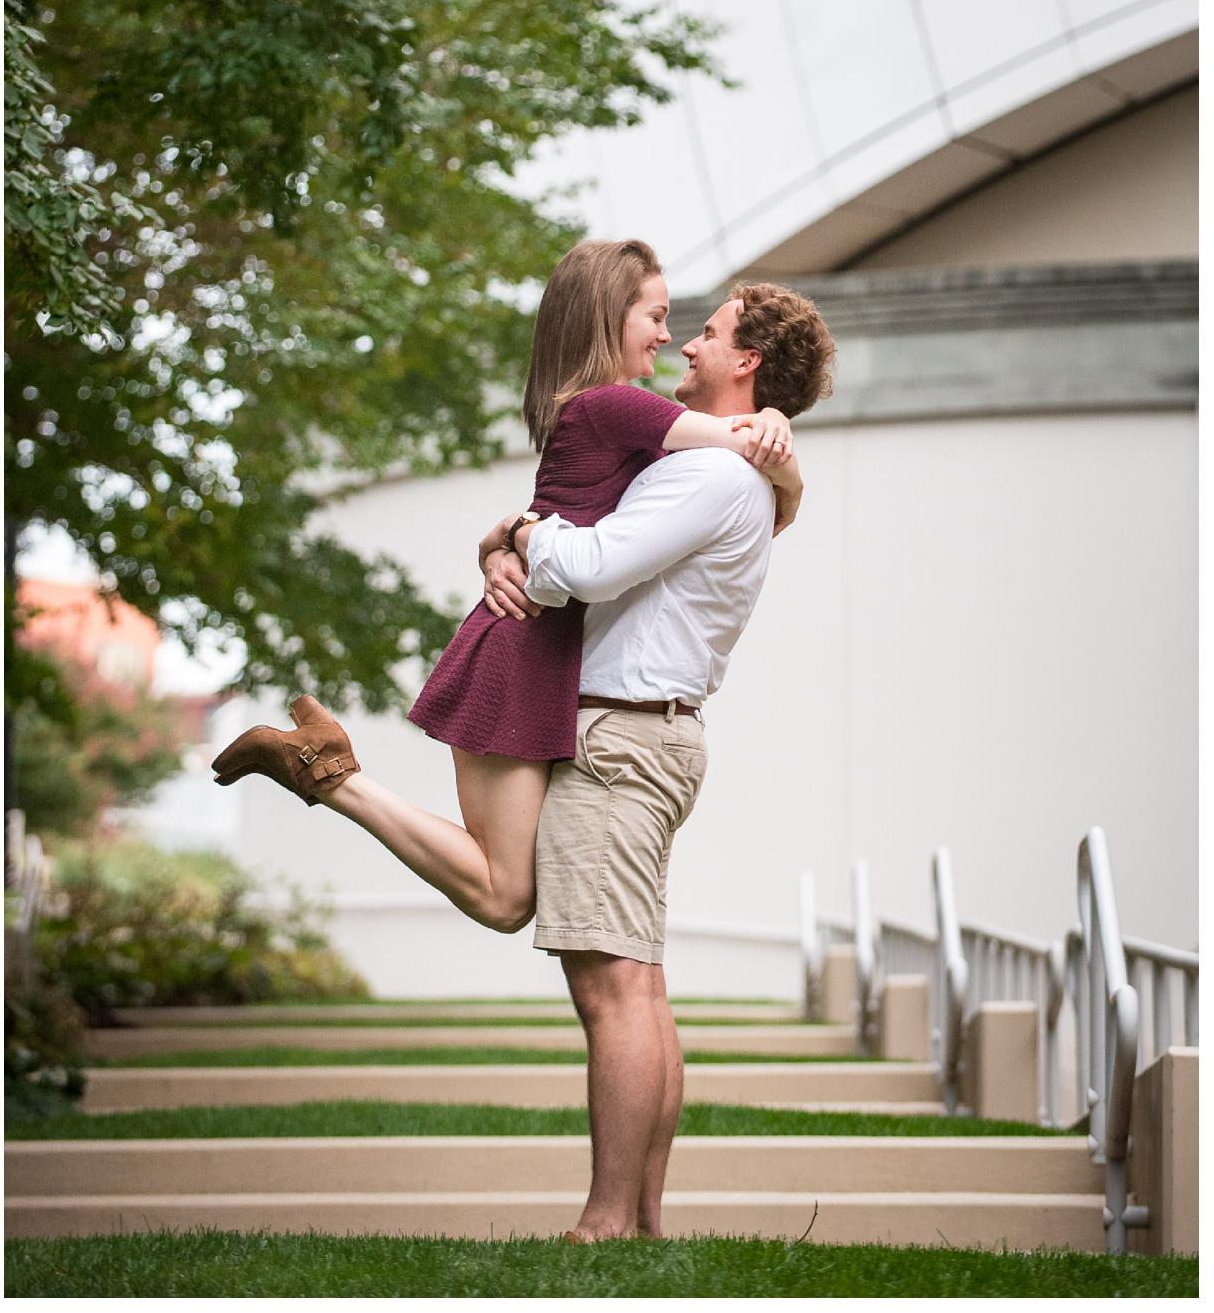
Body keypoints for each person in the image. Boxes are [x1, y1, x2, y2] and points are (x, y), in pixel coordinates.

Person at [211, 239, 803, 938]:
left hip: (537, 645)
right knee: (503, 896)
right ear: (612, 315)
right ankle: (325, 768)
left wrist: (506, 537)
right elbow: (754, 457)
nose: (669, 335)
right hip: (522, 647)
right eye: (657, 315)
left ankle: (324, 766)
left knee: (505, 897)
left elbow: (745, 501)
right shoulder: (616, 404)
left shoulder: (605, 412)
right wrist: (772, 426)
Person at [493, 283, 835, 1239]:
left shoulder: (711, 476)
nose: (687, 344)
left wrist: (519, 535)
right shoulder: (742, 472)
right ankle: (639, 1218)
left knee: (613, 993)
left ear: (749, 362)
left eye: (711, 335)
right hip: (655, 734)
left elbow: (592, 568)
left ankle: (605, 1221)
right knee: (638, 986)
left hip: (620, 738)